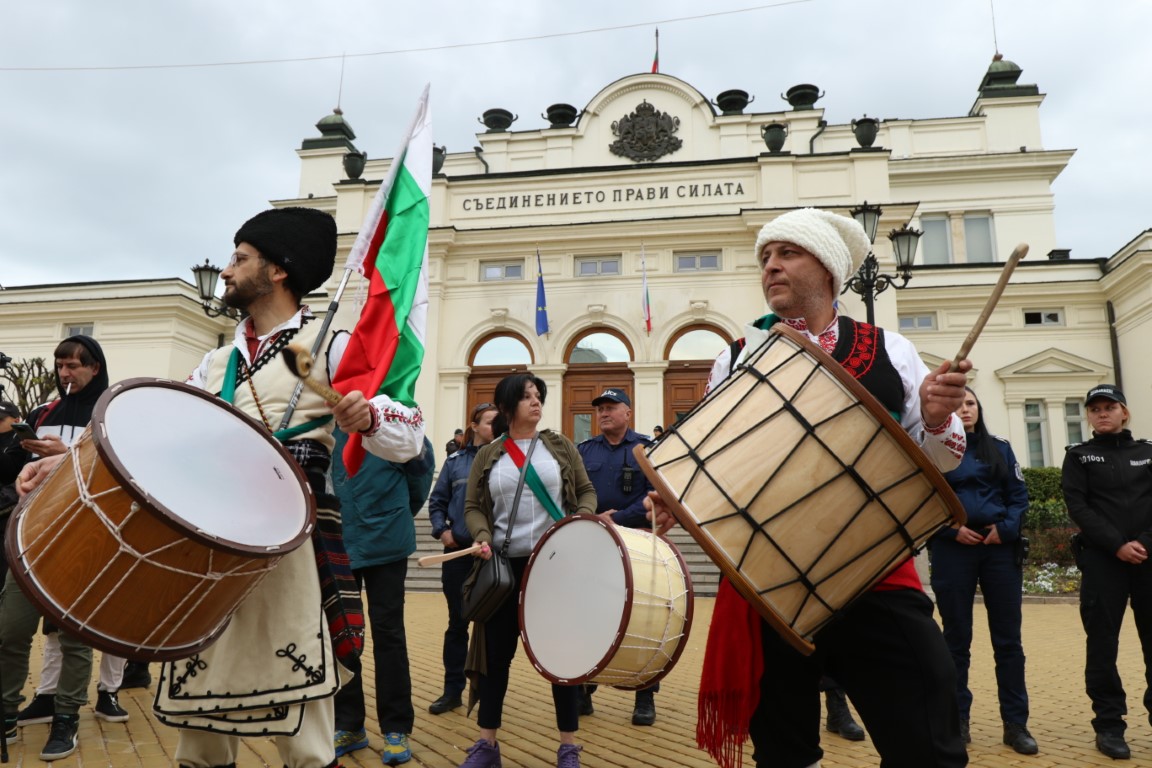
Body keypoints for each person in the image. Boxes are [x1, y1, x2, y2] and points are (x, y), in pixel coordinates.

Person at [0, 207, 430, 768]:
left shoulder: (331, 345)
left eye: (240, 258)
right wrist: (66, 464)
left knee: (304, 730)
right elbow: (156, 433)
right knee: (200, 722)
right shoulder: (216, 361)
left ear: (278, 270)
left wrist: (367, 415)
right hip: (207, 548)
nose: (226, 271)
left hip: (291, 547)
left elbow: (410, 436)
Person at [646, 207, 972, 768]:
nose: (771, 267)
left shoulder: (891, 349)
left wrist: (940, 418)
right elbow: (713, 461)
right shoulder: (736, 357)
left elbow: (940, 460)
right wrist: (677, 493)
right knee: (783, 748)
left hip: (875, 567)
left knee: (927, 732)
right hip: (771, 579)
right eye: (766, 258)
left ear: (827, 271)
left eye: (788, 254)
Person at [0, 335, 131, 761]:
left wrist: (67, 453)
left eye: (74, 365)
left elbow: (116, 473)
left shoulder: (109, 416)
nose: (65, 374)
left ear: (96, 368)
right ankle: (5, 714)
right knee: (11, 631)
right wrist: (24, 464)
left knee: (75, 637)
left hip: (86, 538)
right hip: (34, 533)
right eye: (60, 366)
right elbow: (24, 473)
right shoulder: (42, 412)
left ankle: (67, 718)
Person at [460, 372, 596, 768]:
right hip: (502, 569)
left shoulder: (559, 446)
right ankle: (487, 745)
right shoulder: (489, 453)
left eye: (539, 396)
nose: (536, 403)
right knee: (495, 657)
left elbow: (585, 491)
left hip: (553, 566)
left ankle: (568, 747)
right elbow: (472, 507)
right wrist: (482, 535)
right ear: (506, 407)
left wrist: (580, 519)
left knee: (560, 658)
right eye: (526, 397)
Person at [931, 387, 1036, 754]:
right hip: (952, 551)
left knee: (1008, 642)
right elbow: (924, 499)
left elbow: (1019, 497)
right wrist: (951, 529)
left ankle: (1016, 724)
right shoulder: (935, 451)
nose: (965, 409)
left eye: (971, 403)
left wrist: (1003, 530)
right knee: (955, 641)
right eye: (958, 404)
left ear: (979, 409)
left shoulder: (1000, 448)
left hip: (998, 552)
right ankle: (957, 722)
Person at [330, 429, 435, 764]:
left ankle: (396, 727)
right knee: (341, 636)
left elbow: (419, 481)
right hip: (340, 542)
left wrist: (394, 515)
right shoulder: (324, 426)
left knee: (389, 634)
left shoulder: (393, 422)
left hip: (386, 542)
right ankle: (349, 724)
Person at [1062, 384, 1152, 761]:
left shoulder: (1147, 454)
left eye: (1109, 407)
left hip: (1149, 558)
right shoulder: (1079, 457)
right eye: (1095, 409)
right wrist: (1116, 544)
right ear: (1089, 416)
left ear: (1124, 412)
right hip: (1103, 561)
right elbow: (1078, 506)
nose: (1102, 413)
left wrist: (1144, 542)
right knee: (1102, 645)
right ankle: (1109, 725)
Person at [576, 388, 660, 725]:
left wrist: (618, 518)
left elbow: (655, 492)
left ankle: (645, 696)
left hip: (638, 540)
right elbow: (575, 490)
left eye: (611, 408)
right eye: (600, 409)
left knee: (645, 618)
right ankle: (585, 687)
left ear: (628, 412)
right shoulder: (584, 451)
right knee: (593, 614)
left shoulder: (646, 448)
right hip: (595, 542)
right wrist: (595, 518)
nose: (604, 414)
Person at [426, 402, 499, 716]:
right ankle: (452, 690)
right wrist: (442, 531)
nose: (495, 426)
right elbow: (437, 501)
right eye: (489, 421)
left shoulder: (508, 461)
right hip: (458, 554)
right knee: (457, 624)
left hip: (494, 557)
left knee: (493, 627)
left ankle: (487, 693)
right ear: (474, 426)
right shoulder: (455, 462)